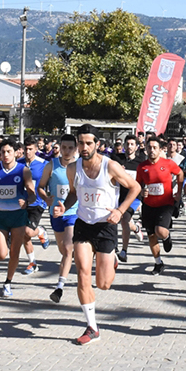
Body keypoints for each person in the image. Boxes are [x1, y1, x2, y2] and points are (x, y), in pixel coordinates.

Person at [54, 124, 140, 345]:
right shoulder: (73, 169)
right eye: (80, 143)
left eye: (88, 143)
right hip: (84, 224)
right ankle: (92, 327)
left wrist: (120, 211)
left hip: (106, 226)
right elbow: (74, 193)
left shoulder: (110, 166)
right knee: (82, 272)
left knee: (103, 283)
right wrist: (64, 206)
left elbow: (135, 187)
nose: (84, 147)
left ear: (97, 144)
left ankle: (111, 263)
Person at [0, 139, 36, 297]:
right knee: (0, 255)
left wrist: (27, 200)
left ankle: (8, 282)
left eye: (9, 152)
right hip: (0, 215)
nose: (5, 155)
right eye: (2, 152)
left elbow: (32, 193)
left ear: (16, 153)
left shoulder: (23, 170)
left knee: (14, 253)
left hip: (18, 214)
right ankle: (5, 240)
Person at [38, 134, 78, 303]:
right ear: (60, 148)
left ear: (75, 149)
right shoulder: (51, 166)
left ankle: (59, 287)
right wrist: (47, 199)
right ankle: (79, 254)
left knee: (68, 249)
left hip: (73, 213)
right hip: (55, 213)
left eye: (70, 148)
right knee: (64, 251)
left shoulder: (79, 166)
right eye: (64, 147)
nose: (67, 151)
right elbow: (40, 187)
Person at [136, 136, 184, 275]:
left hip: (166, 204)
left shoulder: (168, 163)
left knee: (160, 231)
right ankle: (158, 263)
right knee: (151, 236)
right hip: (149, 205)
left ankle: (166, 237)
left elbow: (180, 174)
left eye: (154, 147)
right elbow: (138, 184)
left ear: (160, 149)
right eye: (149, 147)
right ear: (145, 149)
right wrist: (141, 191)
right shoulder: (142, 166)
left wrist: (179, 192)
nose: (152, 150)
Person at [112, 135, 145, 263]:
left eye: (132, 144)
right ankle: (135, 228)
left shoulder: (140, 162)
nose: (129, 146)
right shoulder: (116, 160)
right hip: (118, 196)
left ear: (136, 147)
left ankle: (124, 251)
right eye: (127, 144)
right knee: (115, 220)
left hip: (134, 197)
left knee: (125, 218)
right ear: (124, 146)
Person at [21, 137, 50, 276]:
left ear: (36, 150)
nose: (28, 152)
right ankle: (32, 263)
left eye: (30, 149)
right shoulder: (18, 163)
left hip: (37, 203)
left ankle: (40, 231)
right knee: (23, 235)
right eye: (25, 149)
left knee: (27, 231)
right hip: (21, 203)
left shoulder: (43, 163)